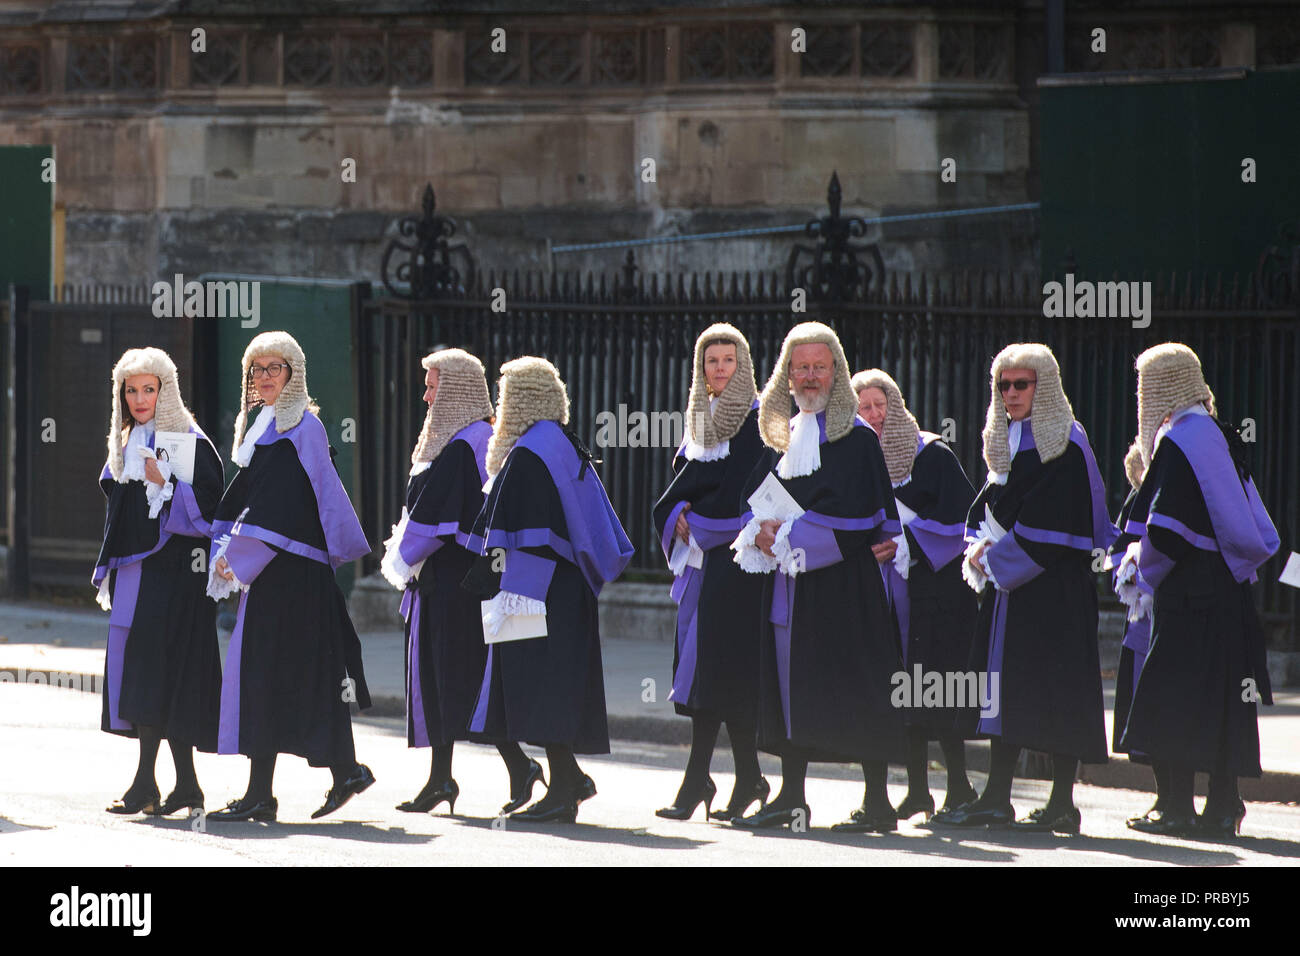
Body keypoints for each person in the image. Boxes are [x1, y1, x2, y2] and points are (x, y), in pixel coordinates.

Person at [731, 321, 905, 833]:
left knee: (860, 686)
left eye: (819, 367)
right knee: (790, 686)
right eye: (800, 367)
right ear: (787, 376)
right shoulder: (778, 437)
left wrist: (786, 535)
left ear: (837, 373)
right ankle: (791, 797)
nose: (809, 377)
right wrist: (757, 533)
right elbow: (753, 499)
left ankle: (878, 802)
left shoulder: (856, 440)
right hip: (790, 587)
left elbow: (859, 516)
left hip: (844, 587)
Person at [937, 343, 1114, 834]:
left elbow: (1059, 521)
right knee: (1006, 692)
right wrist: (979, 543)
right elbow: (991, 506)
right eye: (1003, 385)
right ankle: (997, 796)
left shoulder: (1066, 441)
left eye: (1021, 384)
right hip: (1013, 587)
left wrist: (996, 554)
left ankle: (1061, 802)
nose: (1010, 394)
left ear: (1044, 386)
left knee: (1057, 692)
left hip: (1053, 589)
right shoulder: (1011, 438)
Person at [206, 331, 375, 823]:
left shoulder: (304, 427)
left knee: (274, 674)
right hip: (279, 572)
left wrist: (238, 552)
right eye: (256, 370)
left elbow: (290, 505)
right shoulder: (264, 425)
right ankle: (342, 772)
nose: (263, 378)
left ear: (293, 373)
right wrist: (229, 545)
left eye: (273, 368)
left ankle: (268, 792)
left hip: (293, 572)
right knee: (297, 676)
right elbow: (255, 498)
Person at [1115, 343, 1279, 837]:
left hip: (1188, 593)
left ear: (1160, 387)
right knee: (1224, 700)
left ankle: (1175, 807)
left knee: (1175, 696)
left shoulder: (1179, 438)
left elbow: (1165, 530)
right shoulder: (1217, 434)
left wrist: (1137, 570)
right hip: (1227, 590)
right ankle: (1224, 807)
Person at [462, 357, 634, 823]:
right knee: (547, 686)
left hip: (535, 587)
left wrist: (496, 585)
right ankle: (568, 779)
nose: (501, 404)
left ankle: (563, 789)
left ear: (520, 399)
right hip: (561, 587)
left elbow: (522, 530)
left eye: (506, 395)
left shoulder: (530, 452)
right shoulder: (557, 443)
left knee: (537, 686)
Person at [381, 348, 544, 816]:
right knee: (442, 678)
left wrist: (403, 553)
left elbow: (442, 516)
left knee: (462, 677)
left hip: (460, 581)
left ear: (455, 387)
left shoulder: (469, 441)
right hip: (442, 580)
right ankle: (442, 779)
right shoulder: (456, 438)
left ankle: (518, 765)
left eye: (433, 384)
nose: (426, 394)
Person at [94, 348, 223, 817]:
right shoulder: (125, 439)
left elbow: (212, 511)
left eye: (149, 388)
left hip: (176, 579)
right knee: (152, 675)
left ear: (166, 390)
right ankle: (183, 786)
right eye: (131, 390)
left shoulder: (189, 439)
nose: (140, 397)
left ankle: (147, 784)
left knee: (161, 675)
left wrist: (166, 481)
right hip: (138, 576)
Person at [650, 324, 769, 822]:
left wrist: (694, 519)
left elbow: (747, 491)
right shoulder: (701, 418)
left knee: (712, 672)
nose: (719, 369)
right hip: (705, 561)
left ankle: (698, 780)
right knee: (719, 673)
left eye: (728, 360)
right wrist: (675, 509)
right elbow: (685, 481)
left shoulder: (758, 419)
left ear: (742, 366)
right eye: (710, 361)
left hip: (739, 560)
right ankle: (747, 779)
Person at [852, 369, 980, 822]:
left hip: (939, 594)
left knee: (940, 690)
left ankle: (961, 789)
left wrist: (906, 541)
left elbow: (963, 519)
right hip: (893, 593)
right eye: (863, 407)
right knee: (906, 691)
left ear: (896, 404)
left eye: (880, 404)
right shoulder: (862, 460)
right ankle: (918, 792)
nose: (874, 415)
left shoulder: (932, 454)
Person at [1105, 440, 1162, 822]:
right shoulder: (1136, 499)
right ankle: (1166, 795)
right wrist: (1123, 567)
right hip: (1142, 617)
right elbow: (1117, 545)